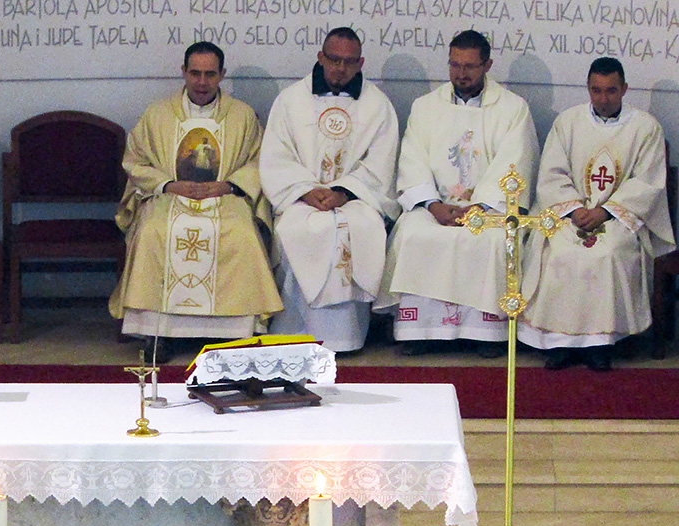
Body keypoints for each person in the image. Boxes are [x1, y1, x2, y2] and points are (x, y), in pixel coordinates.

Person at [108, 42, 281, 357]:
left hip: (224, 196)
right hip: (169, 195)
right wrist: (168, 184)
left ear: (222, 75)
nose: (202, 82)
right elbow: (135, 161)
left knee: (240, 233)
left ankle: (233, 332)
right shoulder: (158, 114)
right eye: (195, 73)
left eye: (210, 74)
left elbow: (259, 161)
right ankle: (157, 332)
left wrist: (228, 185)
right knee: (153, 231)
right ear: (183, 72)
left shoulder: (241, 115)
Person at [377, 30, 539, 356]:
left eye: (470, 66)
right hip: (435, 206)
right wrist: (434, 205)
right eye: (454, 65)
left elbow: (514, 162)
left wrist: (478, 207)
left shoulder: (512, 108)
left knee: (492, 240)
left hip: (487, 208)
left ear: (487, 65)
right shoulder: (425, 107)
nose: (461, 74)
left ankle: (485, 334)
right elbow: (413, 159)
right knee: (411, 235)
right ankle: (421, 331)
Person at [519, 57, 675, 371]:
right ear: (588, 88)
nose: (603, 99)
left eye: (611, 91)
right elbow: (551, 175)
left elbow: (647, 183)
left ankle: (600, 344)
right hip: (570, 214)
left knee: (608, 253)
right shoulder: (568, 122)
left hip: (619, 217)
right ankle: (560, 343)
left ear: (625, 89)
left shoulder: (645, 128)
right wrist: (576, 209)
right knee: (559, 251)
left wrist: (604, 212)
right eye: (596, 90)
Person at [259, 27, 399, 352]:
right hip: (301, 198)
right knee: (297, 228)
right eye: (333, 60)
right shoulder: (290, 100)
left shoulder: (378, 105)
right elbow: (276, 156)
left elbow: (382, 162)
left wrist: (344, 191)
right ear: (320, 57)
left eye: (349, 62)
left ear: (361, 63)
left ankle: (346, 336)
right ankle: (294, 332)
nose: (340, 68)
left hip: (355, 199)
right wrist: (305, 190)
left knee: (361, 227)